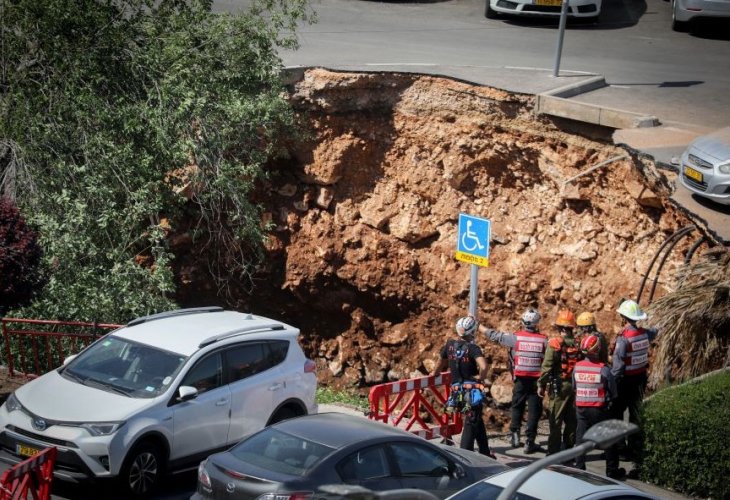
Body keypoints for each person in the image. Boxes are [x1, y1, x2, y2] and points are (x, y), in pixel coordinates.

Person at [481, 308, 547, 454]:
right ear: (536, 323)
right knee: (534, 411)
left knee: (517, 406)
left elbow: (495, 336)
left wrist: (479, 326)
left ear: (523, 322)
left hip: (520, 379)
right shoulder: (543, 340)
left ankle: (515, 437)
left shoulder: (515, 338)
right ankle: (530, 442)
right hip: (537, 380)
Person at [433, 315, 496, 459]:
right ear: (473, 332)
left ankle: (484, 452)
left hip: (457, 393)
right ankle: (465, 456)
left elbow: (438, 366)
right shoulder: (473, 348)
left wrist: (435, 373)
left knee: (476, 420)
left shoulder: (449, 345)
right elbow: (484, 366)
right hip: (472, 393)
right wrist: (481, 377)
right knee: (471, 420)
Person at [611, 299, 659, 461]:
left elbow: (617, 367)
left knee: (616, 413)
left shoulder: (623, 339)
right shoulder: (645, 334)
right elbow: (656, 330)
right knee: (634, 414)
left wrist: (611, 383)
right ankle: (634, 447)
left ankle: (620, 448)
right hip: (640, 379)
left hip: (624, 381)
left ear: (623, 318)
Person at [573, 333, 624, 479]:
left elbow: (574, 386)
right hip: (599, 409)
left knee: (580, 439)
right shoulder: (604, 369)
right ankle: (612, 470)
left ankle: (580, 467)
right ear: (597, 350)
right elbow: (613, 392)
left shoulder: (577, 367)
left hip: (581, 409)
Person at [537, 309, 579, 457]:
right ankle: (568, 448)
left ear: (560, 328)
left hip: (559, 387)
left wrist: (541, 385)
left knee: (556, 419)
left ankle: (553, 452)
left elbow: (546, 367)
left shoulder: (555, 344)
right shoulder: (579, 343)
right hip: (576, 387)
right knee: (572, 420)